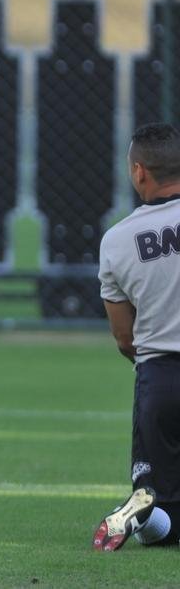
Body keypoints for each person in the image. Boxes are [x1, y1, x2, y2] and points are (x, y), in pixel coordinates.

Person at [93, 122, 180, 551]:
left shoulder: (118, 240)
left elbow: (125, 338)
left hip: (160, 376)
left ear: (140, 172)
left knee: (161, 513)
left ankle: (144, 510)